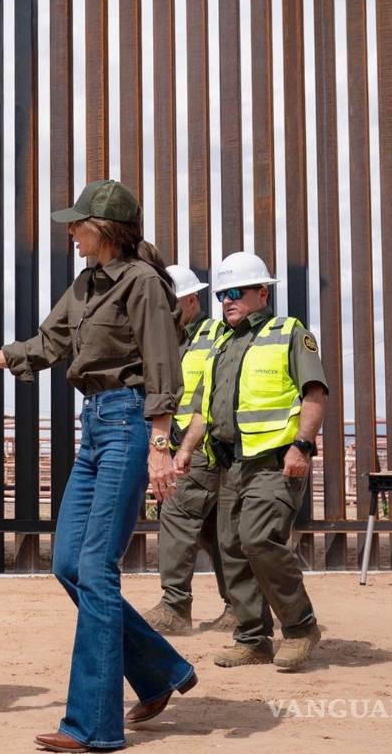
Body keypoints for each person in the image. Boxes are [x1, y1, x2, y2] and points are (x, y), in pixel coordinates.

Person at [0, 180, 197, 753]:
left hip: (131, 423)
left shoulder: (141, 284)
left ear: (106, 229)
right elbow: (46, 343)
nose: (69, 231)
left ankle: (93, 725)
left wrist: (161, 445)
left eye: (77, 223)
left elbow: (163, 364)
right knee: (68, 562)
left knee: (96, 566)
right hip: (95, 426)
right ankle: (161, 670)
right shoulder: (86, 284)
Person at [174, 251, 328, 671]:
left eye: (237, 292)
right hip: (230, 464)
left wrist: (303, 446)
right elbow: (206, 409)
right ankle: (253, 639)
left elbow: (315, 393)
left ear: (263, 292)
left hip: (273, 462)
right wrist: (186, 449)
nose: (227, 300)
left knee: (259, 539)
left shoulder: (289, 332)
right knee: (231, 548)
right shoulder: (221, 342)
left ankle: (300, 627)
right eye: (223, 293)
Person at [141, 264, 234, 636]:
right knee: (214, 531)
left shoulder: (215, 335)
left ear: (193, 299)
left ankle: (175, 605)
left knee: (177, 518)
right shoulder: (168, 340)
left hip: (200, 446)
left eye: (173, 303)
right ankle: (240, 607)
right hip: (181, 446)